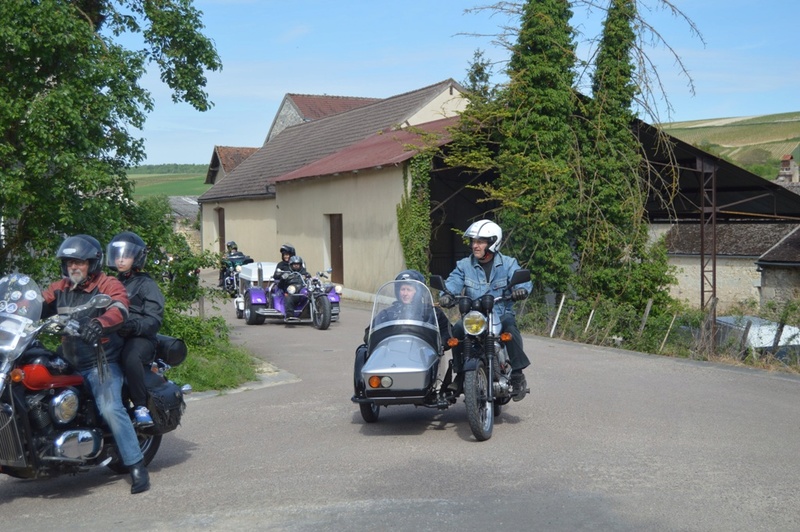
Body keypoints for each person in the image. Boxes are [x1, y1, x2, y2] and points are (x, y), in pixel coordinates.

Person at [41, 234, 150, 494]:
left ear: (93, 264)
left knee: (110, 407)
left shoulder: (108, 283)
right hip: (68, 360)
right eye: (69, 262)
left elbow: (119, 308)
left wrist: (100, 323)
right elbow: (36, 303)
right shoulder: (60, 287)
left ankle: (136, 465)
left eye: (79, 262)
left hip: (100, 361)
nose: (73, 267)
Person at [438, 219, 531, 401]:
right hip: (475, 316)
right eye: (473, 241)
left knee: (510, 326)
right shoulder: (464, 265)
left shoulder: (508, 264)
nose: (475, 245)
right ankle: (460, 372)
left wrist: (521, 290)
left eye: (480, 241)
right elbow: (453, 283)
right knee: (457, 330)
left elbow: (524, 281)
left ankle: (517, 374)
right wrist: (446, 295)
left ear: (492, 242)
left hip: (500, 312)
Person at [106, 231, 165, 429]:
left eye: (126, 255)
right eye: (118, 255)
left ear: (137, 257)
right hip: (114, 334)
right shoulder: (110, 283)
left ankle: (141, 407)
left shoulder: (147, 284)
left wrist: (134, 326)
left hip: (140, 338)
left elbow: (154, 320)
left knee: (131, 357)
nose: (121, 260)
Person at [362, 269, 452, 347]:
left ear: (418, 292)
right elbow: (370, 333)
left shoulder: (432, 313)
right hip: (393, 354)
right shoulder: (388, 313)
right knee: (362, 352)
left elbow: (448, 332)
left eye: (409, 290)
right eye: (402, 289)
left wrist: (440, 343)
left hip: (423, 355)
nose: (405, 294)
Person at [277, 255, 308, 321]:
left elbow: (308, 277)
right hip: (293, 292)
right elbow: (280, 285)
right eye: (294, 264)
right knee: (289, 297)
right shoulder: (287, 272)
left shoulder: (304, 272)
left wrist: (308, 277)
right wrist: (283, 278)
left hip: (303, 291)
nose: (296, 266)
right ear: (291, 265)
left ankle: (326, 311)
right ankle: (289, 315)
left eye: (298, 264)